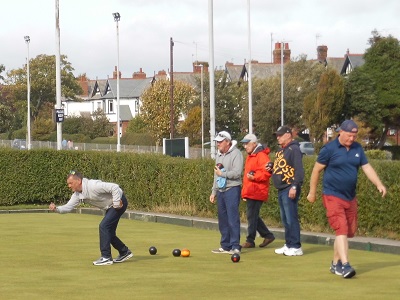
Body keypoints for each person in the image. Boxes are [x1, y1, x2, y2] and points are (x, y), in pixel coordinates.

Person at [307, 120, 386, 278]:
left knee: (345, 232)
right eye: (349, 135)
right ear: (340, 132)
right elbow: (316, 171)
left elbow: (366, 167)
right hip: (332, 194)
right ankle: (346, 265)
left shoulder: (357, 148)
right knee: (341, 228)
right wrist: (312, 192)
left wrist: (379, 184)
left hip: (350, 196)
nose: (352, 139)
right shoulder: (329, 149)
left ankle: (336, 264)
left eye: (354, 136)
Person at [49, 171, 133, 266]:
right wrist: (56, 209)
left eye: (71, 183)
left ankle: (106, 257)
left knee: (104, 226)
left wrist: (117, 202)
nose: (69, 186)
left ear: (79, 181)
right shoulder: (77, 195)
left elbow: (115, 187)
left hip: (119, 202)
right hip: (110, 207)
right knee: (108, 232)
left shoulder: (93, 185)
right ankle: (124, 252)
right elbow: (68, 207)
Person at [267, 125, 304, 256]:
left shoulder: (294, 149)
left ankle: (296, 246)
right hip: (282, 188)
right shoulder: (282, 150)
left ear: (288, 135)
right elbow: (283, 166)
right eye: (277, 135)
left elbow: (299, 170)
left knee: (291, 217)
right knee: (285, 218)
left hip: (289, 187)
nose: (278, 137)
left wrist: (295, 186)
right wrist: (272, 166)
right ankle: (289, 244)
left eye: (280, 135)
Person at [210, 131, 244, 255]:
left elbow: (237, 173)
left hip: (232, 189)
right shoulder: (219, 155)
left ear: (227, 142)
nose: (218, 144)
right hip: (220, 190)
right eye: (217, 142)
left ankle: (235, 246)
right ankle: (225, 245)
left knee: (232, 218)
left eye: (220, 141)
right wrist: (213, 191)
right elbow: (216, 175)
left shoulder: (236, 154)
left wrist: (222, 174)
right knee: (223, 219)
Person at [240, 133, 275, 249]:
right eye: (244, 144)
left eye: (247, 144)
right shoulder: (252, 156)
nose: (245, 146)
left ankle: (250, 240)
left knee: (252, 216)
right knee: (253, 216)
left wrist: (254, 177)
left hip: (257, 191)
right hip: (252, 190)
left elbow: (267, 173)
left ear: (254, 143)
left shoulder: (261, 156)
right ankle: (267, 235)